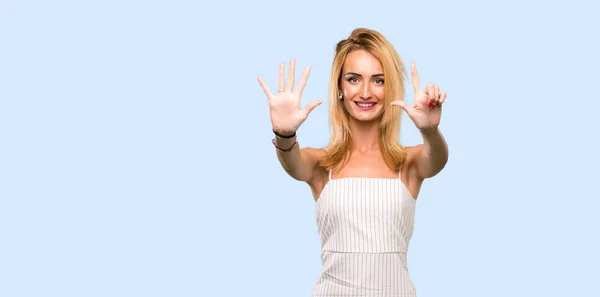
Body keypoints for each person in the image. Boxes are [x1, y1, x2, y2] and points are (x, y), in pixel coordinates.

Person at [257, 28, 448, 297]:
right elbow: (292, 161)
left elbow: (438, 159)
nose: (366, 92)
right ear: (340, 88)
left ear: (390, 86)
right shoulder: (322, 164)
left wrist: (430, 131)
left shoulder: (409, 162)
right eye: (354, 79)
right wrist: (284, 133)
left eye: (379, 80)